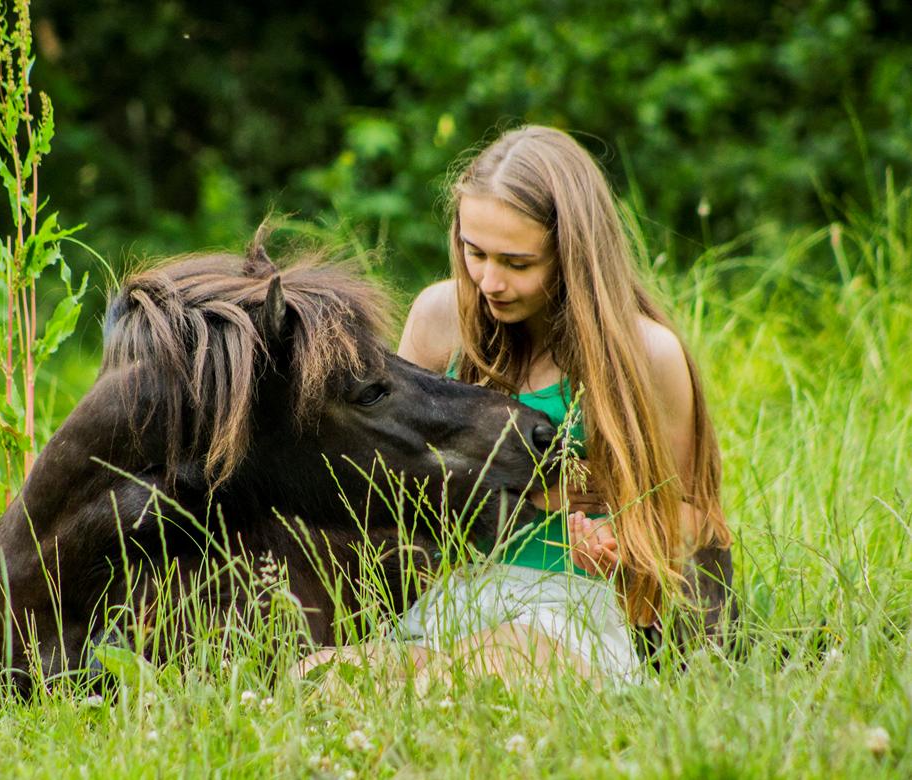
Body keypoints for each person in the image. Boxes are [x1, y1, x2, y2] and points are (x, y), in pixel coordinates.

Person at [297, 125, 731, 685]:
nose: (490, 281)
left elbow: (693, 516)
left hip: (585, 609)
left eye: (517, 263)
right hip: (458, 592)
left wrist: (626, 544)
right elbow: (390, 472)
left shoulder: (647, 353)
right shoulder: (440, 318)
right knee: (327, 674)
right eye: (474, 253)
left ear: (572, 254)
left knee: (490, 665)